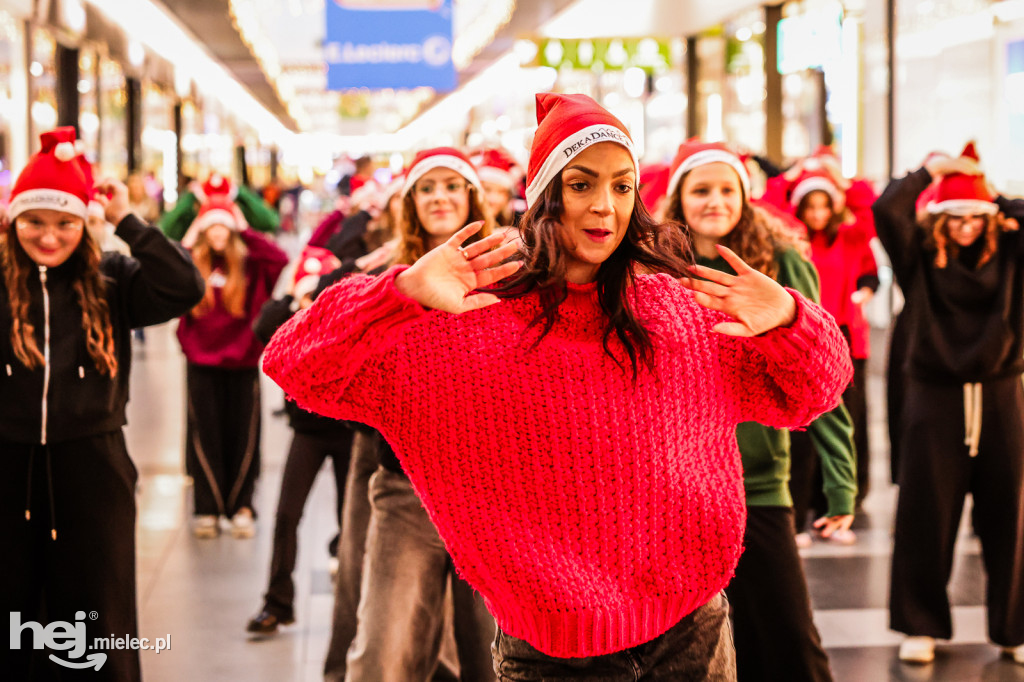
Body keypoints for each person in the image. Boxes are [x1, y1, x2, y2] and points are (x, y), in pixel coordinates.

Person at [264, 93, 853, 680]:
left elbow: (817, 392)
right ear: (545, 195)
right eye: (581, 185)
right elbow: (295, 364)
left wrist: (790, 319)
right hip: (553, 656)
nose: (605, 207)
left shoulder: (678, 314)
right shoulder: (469, 326)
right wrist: (398, 295)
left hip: (692, 634)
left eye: (622, 187)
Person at [0, 127, 204, 680]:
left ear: (83, 223)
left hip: (94, 471)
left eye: (64, 221)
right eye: (34, 221)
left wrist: (128, 221)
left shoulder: (111, 279)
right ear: (12, 219)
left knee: (100, 618)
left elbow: (185, 287)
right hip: (7, 470)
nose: (48, 236)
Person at [662, 139, 857, 681]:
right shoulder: (656, 269)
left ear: (746, 197)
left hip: (760, 486)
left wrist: (840, 482)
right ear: (679, 197)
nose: (715, 202)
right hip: (681, 490)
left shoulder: (783, 260)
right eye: (701, 190)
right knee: (707, 650)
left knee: (789, 639)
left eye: (728, 189)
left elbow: (826, 372)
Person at [320, 146, 498, 682]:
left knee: (496, 661)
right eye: (427, 187)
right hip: (407, 488)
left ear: (471, 195)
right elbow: (325, 353)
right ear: (410, 202)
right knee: (382, 657)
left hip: (492, 493)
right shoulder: (386, 278)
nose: (440, 196)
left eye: (452, 185)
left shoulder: (508, 273)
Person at [873, 143, 1024, 665]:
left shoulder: (1010, 253)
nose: (965, 227)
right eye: (954, 216)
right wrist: (931, 171)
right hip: (933, 397)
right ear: (938, 218)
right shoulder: (918, 258)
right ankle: (921, 624)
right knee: (925, 513)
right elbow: (886, 209)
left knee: (1013, 514)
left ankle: (1015, 627)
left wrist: (995, 197)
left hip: (1002, 394)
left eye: (974, 217)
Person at [246, 245, 354, 635]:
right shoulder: (291, 321)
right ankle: (277, 603)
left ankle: (355, 606)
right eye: (305, 293)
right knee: (286, 515)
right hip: (306, 434)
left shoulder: (344, 321)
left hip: (347, 434)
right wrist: (293, 298)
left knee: (352, 525)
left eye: (316, 293)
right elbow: (262, 330)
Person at [176, 195, 288, 538]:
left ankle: (242, 505)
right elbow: (166, 263)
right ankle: (207, 507)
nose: (219, 232)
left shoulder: (250, 263)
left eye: (225, 225)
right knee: (204, 435)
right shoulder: (192, 264)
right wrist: (191, 235)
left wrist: (244, 228)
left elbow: (279, 258)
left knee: (244, 437)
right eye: (212, 226)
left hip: (242, 363)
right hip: (201, 363)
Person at [788, 168, 878, 521]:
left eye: (825, 206)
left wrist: (838, 179)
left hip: (846, 339)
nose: (818, 214)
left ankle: (844, 500)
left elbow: (872, 210)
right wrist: (796, 175)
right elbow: (765, 203)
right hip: (802, 340)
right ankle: (805, 500)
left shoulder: (851, 238)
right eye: (811, 206)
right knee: (804, 425)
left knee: (849, 421)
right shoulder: (790, 240)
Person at [160, 172, 280, 241]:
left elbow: (271, 222)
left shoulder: (239, 214)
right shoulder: (193, 214)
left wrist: (241, 194)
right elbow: (165, 229)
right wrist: (189, 197)